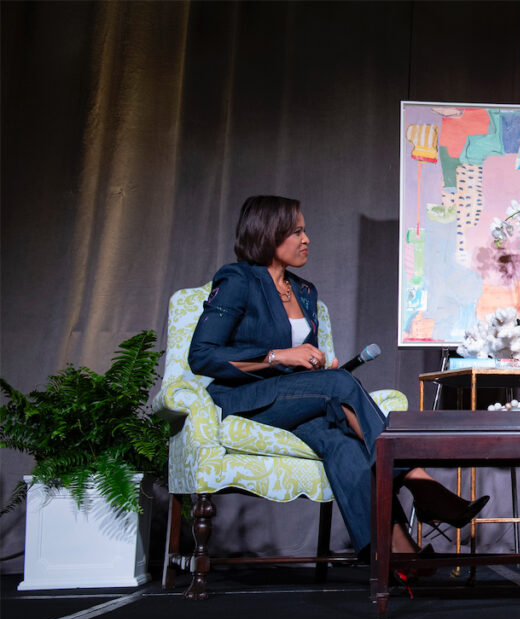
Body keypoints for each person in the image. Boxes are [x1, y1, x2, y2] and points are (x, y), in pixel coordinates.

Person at [188, 195, 488, 564]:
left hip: (292, 399)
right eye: (296, 231)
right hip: (246, 400)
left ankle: (395, 555)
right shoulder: (237, 279)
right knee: (339, 384)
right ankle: (419, 482)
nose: (306, 238)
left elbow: (299, 356)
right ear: (269, 234)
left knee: (341, 442)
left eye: (305, 230)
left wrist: (313, 362)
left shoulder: (304, 291)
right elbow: (201, 355)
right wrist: (278, 356)